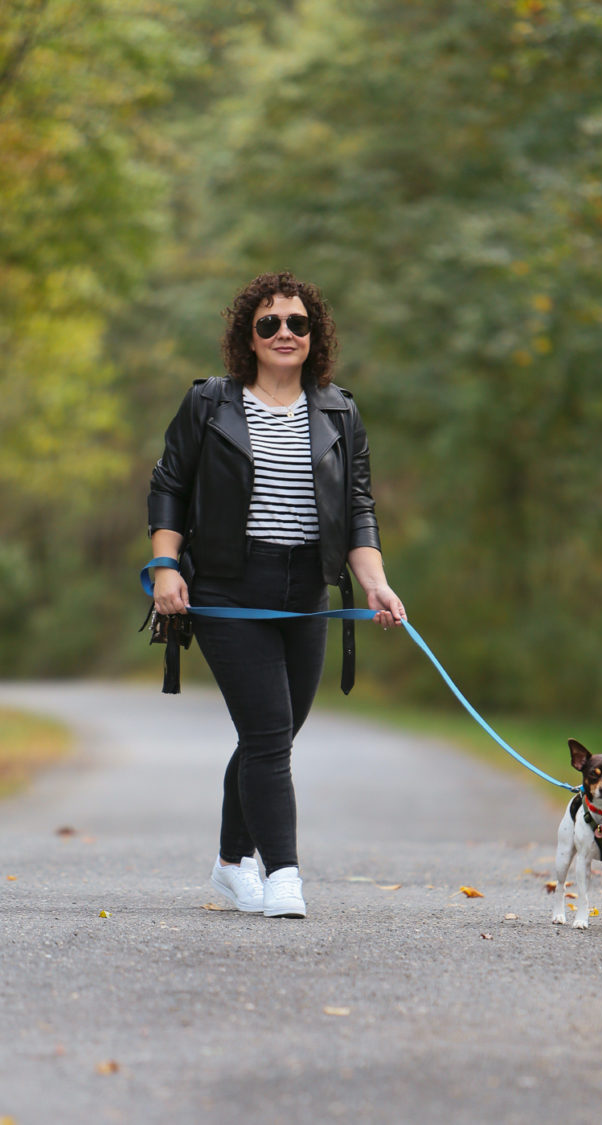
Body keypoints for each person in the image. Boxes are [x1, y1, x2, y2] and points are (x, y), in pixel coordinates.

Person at [148, 271, 405, 919]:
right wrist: (165, 567)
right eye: (269, 323)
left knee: (275, 734)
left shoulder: (340, 412)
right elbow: (170, 484)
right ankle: (283, 872)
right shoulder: (210, 403)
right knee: (266, 733)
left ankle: (231, 863)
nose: (284, 333)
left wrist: (375, 583)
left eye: (297, 322)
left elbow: (358, 510)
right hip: (230, 590)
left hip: (308, 591)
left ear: (314, 335)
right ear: (248, 336)